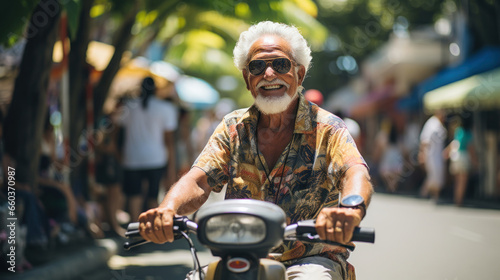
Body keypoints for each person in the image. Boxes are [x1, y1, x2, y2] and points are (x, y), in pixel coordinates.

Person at [138, 21, 373, 280]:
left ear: (300, 74)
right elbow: (199, 179)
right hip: (240, 255)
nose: (269, 74)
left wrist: (350, 210)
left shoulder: (328, 128)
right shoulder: (233, 127)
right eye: (257, 66)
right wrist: (167, 210)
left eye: (281, 64)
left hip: (311, 259)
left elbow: (355, 172)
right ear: (247, 79)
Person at [117, 77, 178, 221]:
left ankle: (135, 227)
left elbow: (116, 132)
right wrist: (171, 166)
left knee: (134, 195)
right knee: (153, 194)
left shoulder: (128, 107)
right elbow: (168, 140)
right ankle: (152, 227)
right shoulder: (165, 108)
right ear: (156, 90)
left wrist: (119, 155)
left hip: (132, 157)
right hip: (155, 157)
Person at [443, 115, 475, 206]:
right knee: (462, 181)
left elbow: (454, 143)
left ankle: (456, 199)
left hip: (455, 156)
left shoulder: (458, 131)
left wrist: (446, 151)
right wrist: (475, 161)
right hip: (463, 157)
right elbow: (470, 149)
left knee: (457, 181)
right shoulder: (468, 133)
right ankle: (459, 201)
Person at [418, 110, 447, 200]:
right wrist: (422, 154)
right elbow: (424, 140)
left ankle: (434, 196)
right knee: (433, 176)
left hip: (438, 155)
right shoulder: (431, 123)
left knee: (436, 177)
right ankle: (428, 195)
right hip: (431, 155)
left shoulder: (439, 124)